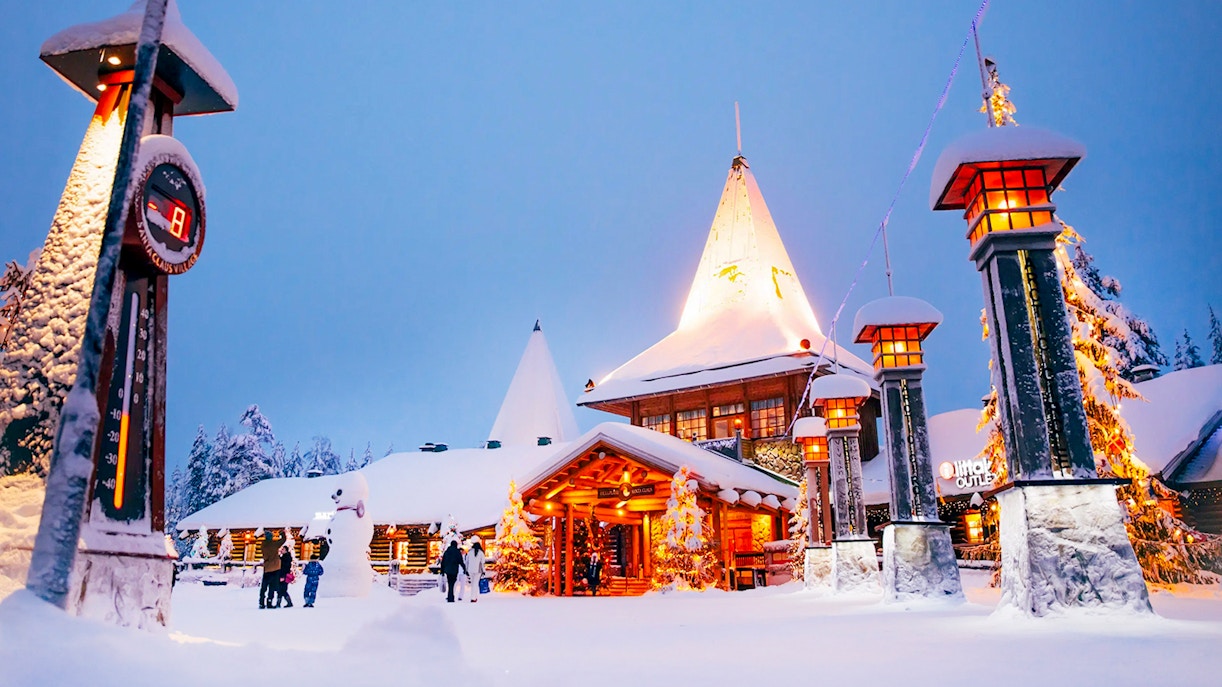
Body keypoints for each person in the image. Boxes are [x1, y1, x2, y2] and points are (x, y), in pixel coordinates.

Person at [259, 531, 283, 609]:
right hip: (275, 567)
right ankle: (269, 602)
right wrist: (282, 533)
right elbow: (283, 540)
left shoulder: (263, 545)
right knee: (272, 587)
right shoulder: (274, 544)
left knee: (264, 587)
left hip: (267, 568)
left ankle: (261, 602)